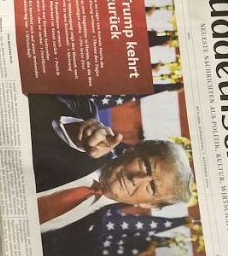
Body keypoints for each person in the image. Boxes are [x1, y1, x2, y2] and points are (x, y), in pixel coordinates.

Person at [29, 95, 192, 233]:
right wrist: (73, 134)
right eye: (145, 166)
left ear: (149, 204)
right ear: (133, 150)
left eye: (152, 187)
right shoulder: (85, 119)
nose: (137, 179)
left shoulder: (88, 242)